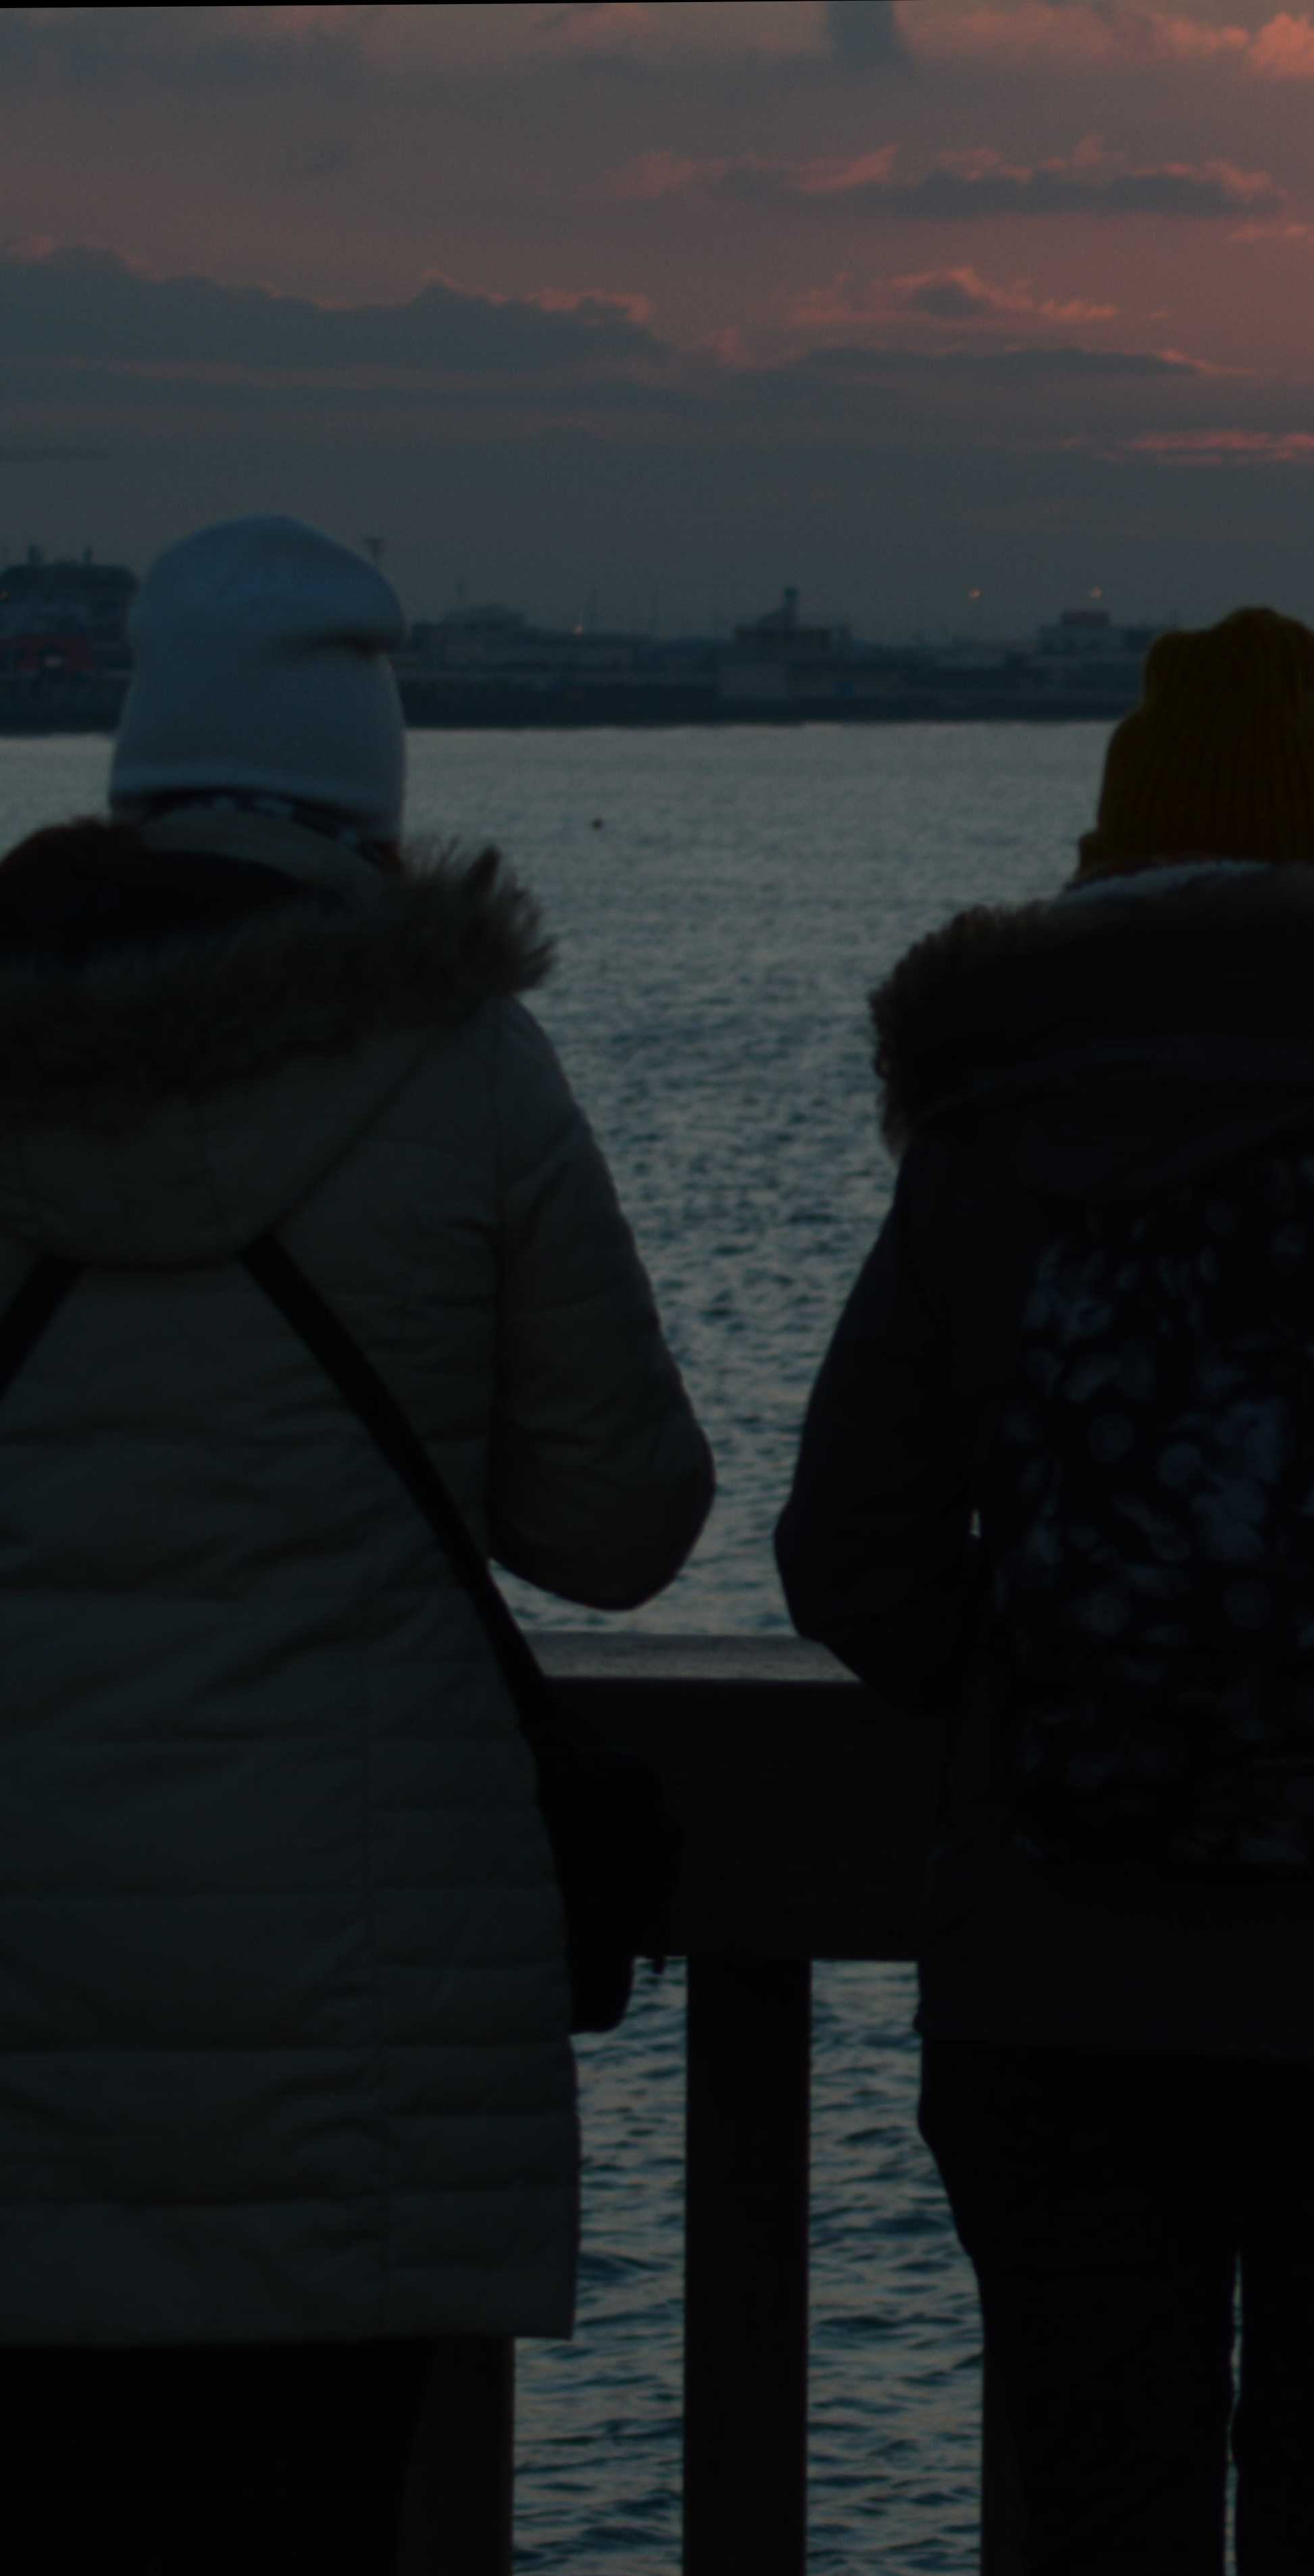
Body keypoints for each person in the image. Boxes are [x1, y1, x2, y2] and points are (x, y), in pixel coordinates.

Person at [776, 605, 1314, 2575]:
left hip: (1060, 1970)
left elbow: (846, 1549)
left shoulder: (993, 1137)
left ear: (1102, 870)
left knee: (1101, 2510)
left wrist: (1041, 1691)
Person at [0, 514, 713, 2569]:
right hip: (358, 2046)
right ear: (374, 792)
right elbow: (621, 1526)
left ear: (133, 775)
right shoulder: (469, 1073)